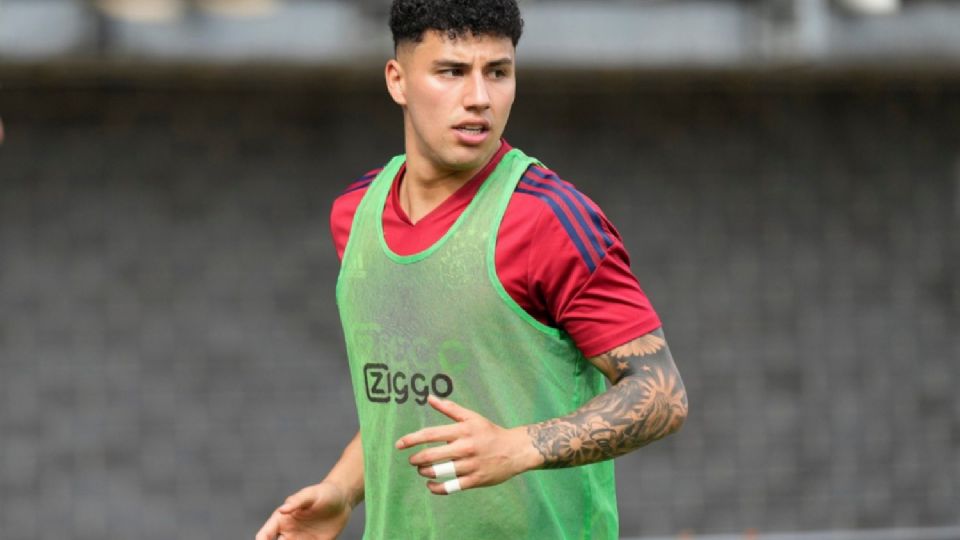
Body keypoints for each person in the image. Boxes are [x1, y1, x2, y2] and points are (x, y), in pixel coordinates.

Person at [256, 1, 687, 538]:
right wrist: (342, 490)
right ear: (397, 80)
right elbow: (411, 401)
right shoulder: (355, 214)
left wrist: (518, 446)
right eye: (452, 71)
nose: (479, 97)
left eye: (498, 72)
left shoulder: (550, 219)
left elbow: (663, 393)